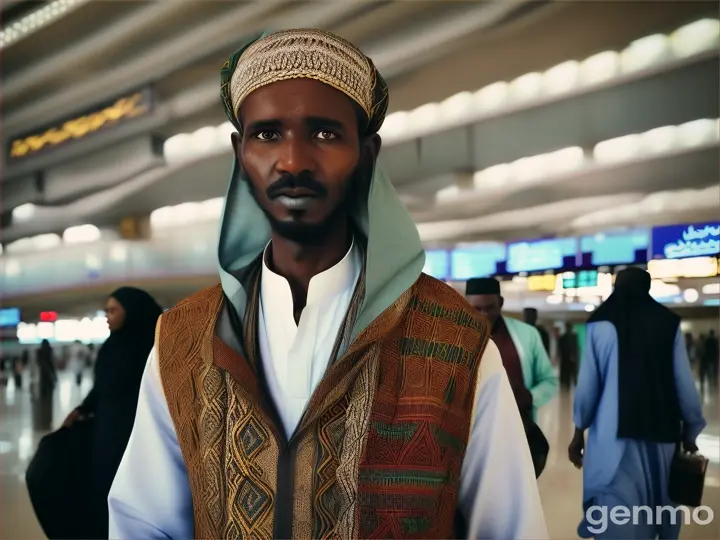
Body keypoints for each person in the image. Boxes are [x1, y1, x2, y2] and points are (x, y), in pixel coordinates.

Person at [108, 29, 547, 540]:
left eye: (324, 133)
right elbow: (143, 524)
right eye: (267, 134)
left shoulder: (458, 344)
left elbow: (511, 531)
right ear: (239, 152)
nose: (292, 161)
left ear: (367, 153)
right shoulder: (181, 340)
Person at [569, 268, 706, 539]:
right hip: (663, 439)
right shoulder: (668, 322)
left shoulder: (599, 323)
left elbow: (588, 388)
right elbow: (684, 385)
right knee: (659, 508)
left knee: (618, 515)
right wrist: (690, 431)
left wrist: (578, 432)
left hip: (611, 440)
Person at [63, 287, 162, 539]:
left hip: (139, 431)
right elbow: (101, 387)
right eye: (106, 310)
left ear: (131, 312)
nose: (107, 315)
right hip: (107, 430)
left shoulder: (153, 346)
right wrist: (82, 409)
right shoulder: (111, 346)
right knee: (104, 487)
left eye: (113, 310)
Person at [466, 278, 558, 421]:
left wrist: (529, 396)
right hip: (473, 428)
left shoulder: (528, 334)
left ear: (501, 303)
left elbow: (549, 381)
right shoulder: (454, 337)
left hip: (520, 425)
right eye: (477, 309)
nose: (484, 314)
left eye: (490, 307)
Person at [35, 339, 57, 430]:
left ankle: (43, 421)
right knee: (49, 402)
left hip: (42, 381)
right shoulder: (49, 353)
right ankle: (48, 421)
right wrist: (54, 377)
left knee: (43, 402)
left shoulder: (39, 354)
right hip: (49, 381)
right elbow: (52, 366)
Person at [558, 322, 580, 390]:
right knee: (573, 373)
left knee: (567, 374)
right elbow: (576, 348)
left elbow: (560, 349)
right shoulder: (574, 337)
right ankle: (574, 385)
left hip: (565, 358)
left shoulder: (562, 337)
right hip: (571, 358)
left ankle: (567, 386)